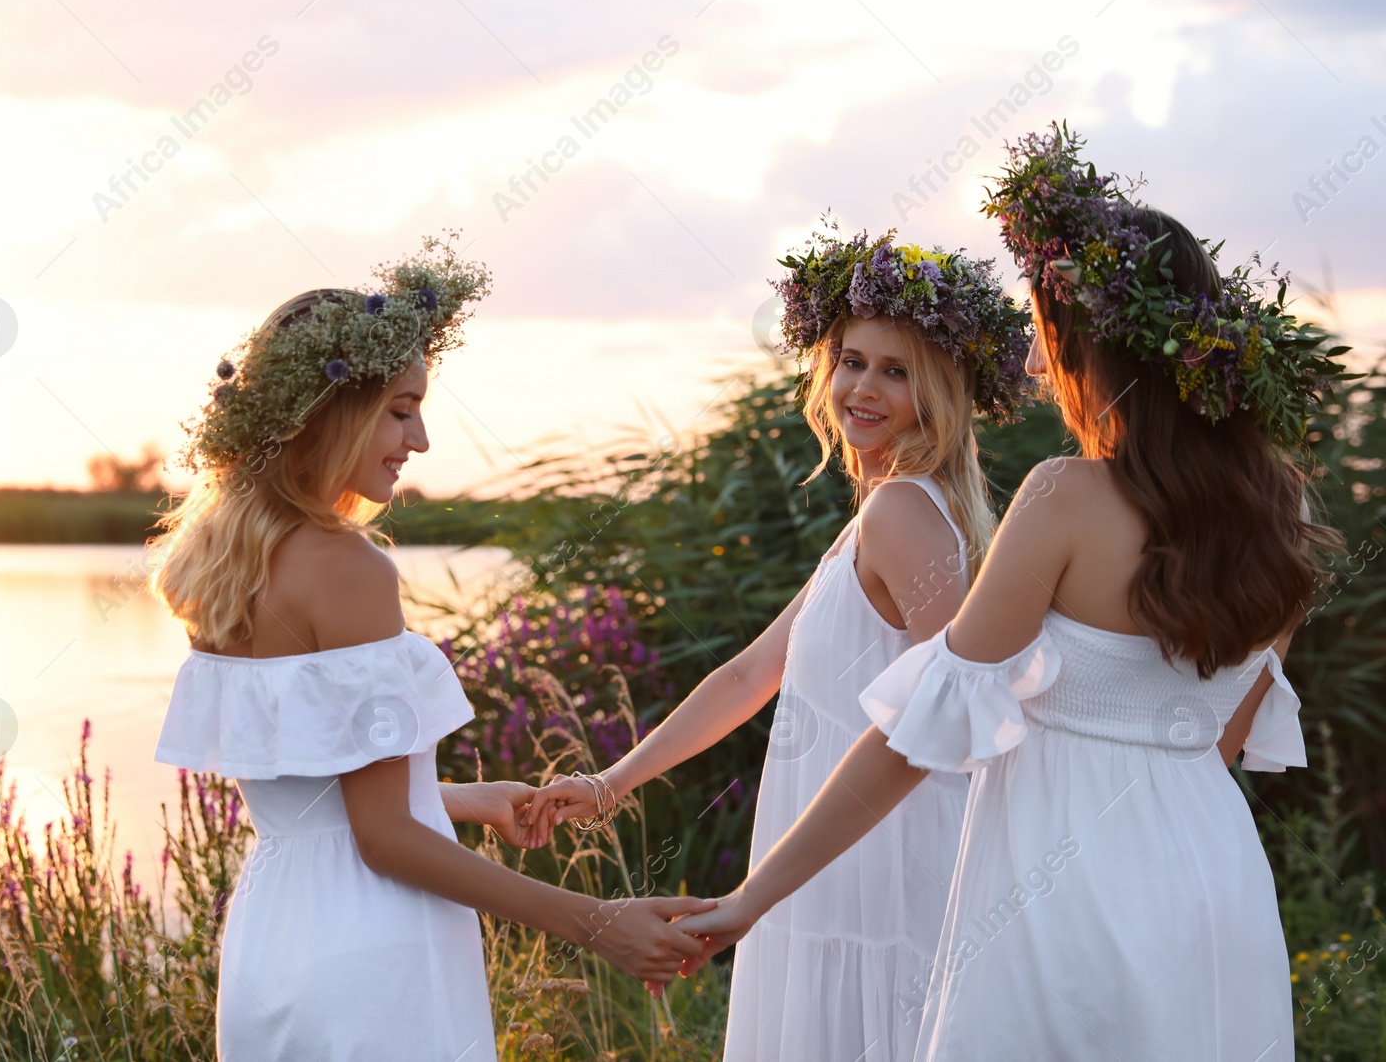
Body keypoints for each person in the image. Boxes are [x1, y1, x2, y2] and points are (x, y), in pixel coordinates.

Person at [675, 127, 1349, 1061]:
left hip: (1057, 894)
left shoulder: (1065, 497)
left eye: (1046, 332)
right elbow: (1216, 745)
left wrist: (753, 897)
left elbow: (915, 736)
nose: (1036, 361)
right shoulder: (1282, 516)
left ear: (1099, 350)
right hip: (1214, 884)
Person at [146, 237, 713, 1062]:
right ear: (330, 412)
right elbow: (383, 840)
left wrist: (466, 797)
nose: (419, 439)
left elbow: (319, 806)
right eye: (401, 409)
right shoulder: (347, 567)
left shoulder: (222, 568)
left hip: (271, 946)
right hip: (375, 950)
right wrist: (599, 925)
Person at [522, 225, 1035, 1061]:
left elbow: (947, 725)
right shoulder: (879, 514)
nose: (862, 387)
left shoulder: (903, 513)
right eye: (853, 359)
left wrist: (758, 893)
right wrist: (612, 781)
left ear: (938, 392)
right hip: (832, 864)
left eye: (896, 370)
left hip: (880, 876)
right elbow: (751, 673)